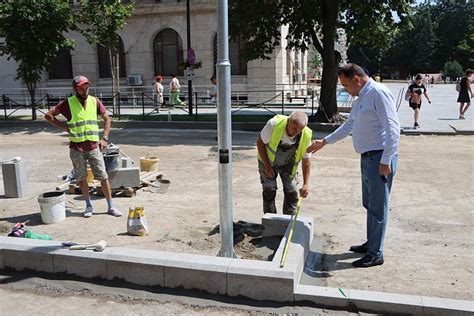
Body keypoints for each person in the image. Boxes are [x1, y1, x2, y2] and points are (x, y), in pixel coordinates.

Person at [307, 64, 400, 268]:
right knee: (370, 204)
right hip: (367, 159)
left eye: (346, 85)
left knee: (378, 208)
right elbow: (349, 125)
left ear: (357, 79)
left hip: (379, 159)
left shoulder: (378, 93)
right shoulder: (360, 99)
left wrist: (386, 160)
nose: (346, 89)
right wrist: (324, 142)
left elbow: (393, 128)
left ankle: (376, 254)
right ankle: (371, 244)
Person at [45, 76, 122, 218]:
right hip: (76, 148)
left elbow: (107, 118)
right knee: (81, 178)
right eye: (81, 87)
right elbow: (49, 115)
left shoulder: (94, 101)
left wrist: (104, 138)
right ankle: (88, 206)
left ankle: (111, 206)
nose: (85, 90)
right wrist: (65, 127)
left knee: (103, 176)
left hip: (93, 146)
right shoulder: (68, 103)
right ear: (75, 88)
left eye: (86, 87)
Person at [257, 111, 312, 215]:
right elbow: (260, 143)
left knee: (292, 192)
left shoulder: (306, 135)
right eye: (294, 128)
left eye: (300, 129)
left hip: (288, 165)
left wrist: (306, 184)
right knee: (269, 190)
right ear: (288, 122)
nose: (296, 132)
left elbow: (306, 160)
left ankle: (288, 220)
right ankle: (270, 219)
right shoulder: (274, 124)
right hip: (267, 161)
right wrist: (267, 166)